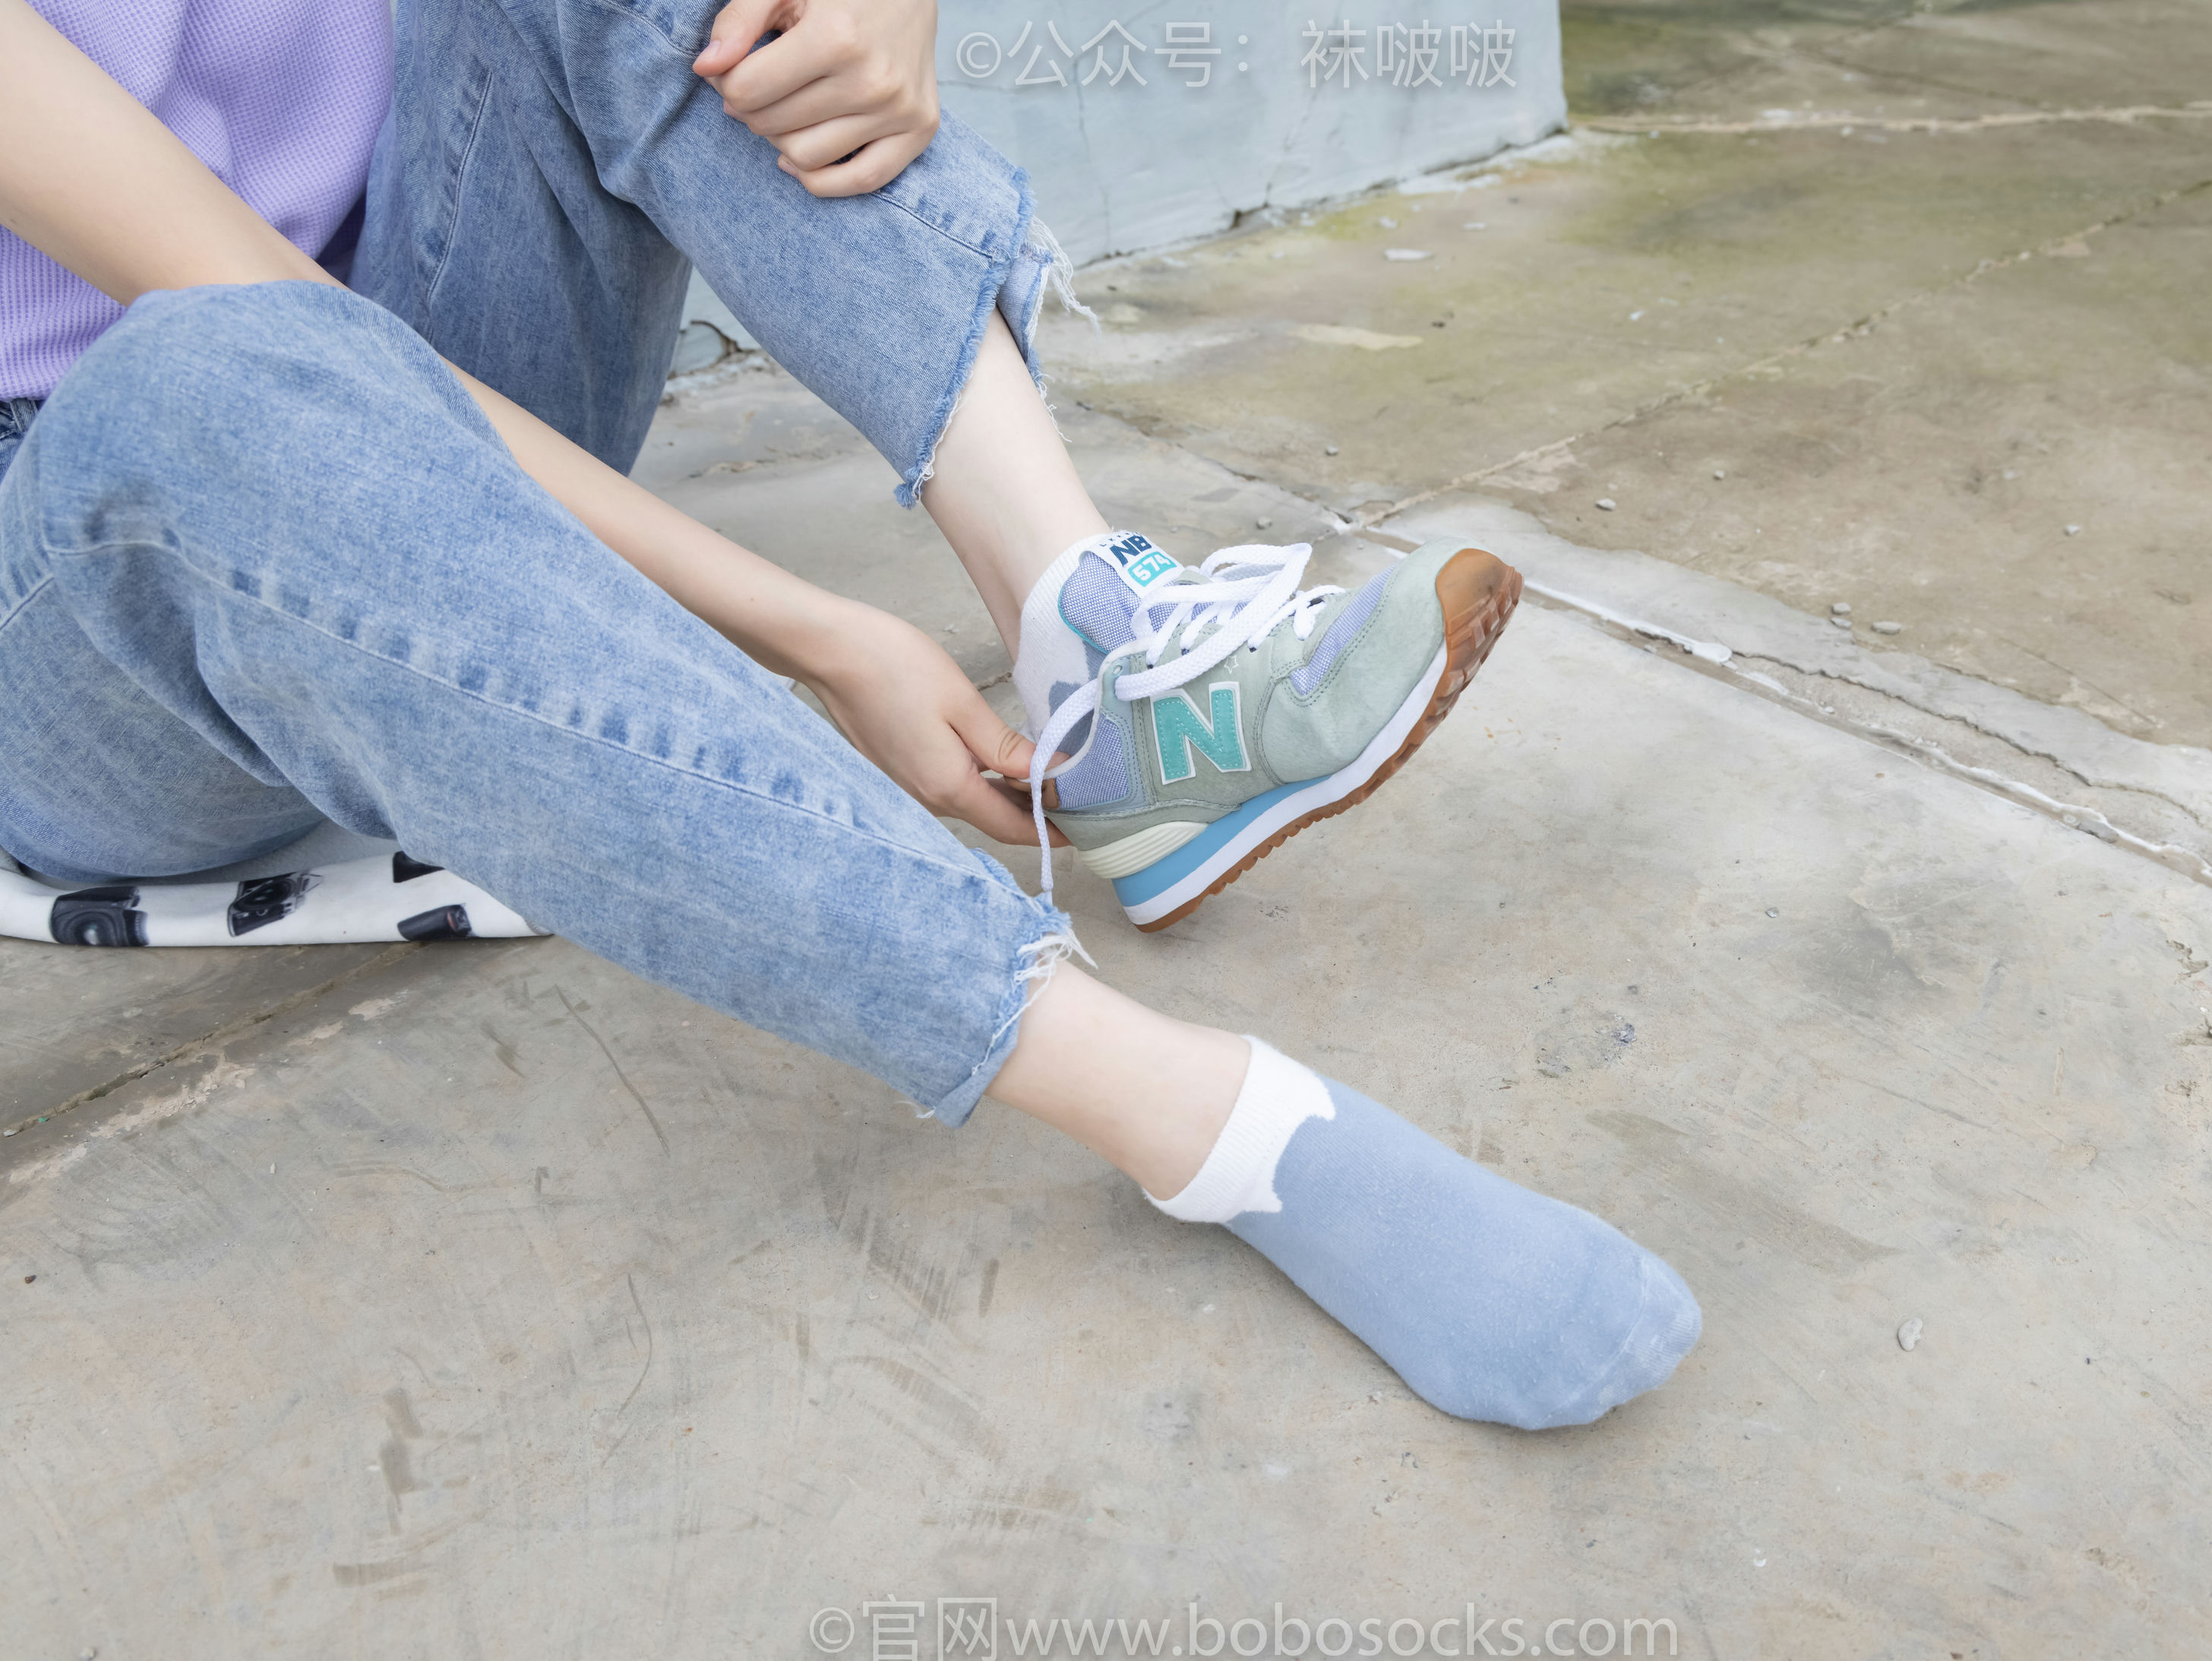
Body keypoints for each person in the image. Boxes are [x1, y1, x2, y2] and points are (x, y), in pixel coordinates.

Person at [0, 0, 1701, 1429]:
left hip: (410, 329)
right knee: (208, 383)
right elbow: (259, 324)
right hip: (99, 567)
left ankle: (1096, 646)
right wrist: (816, 632)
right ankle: (1191, 1113)